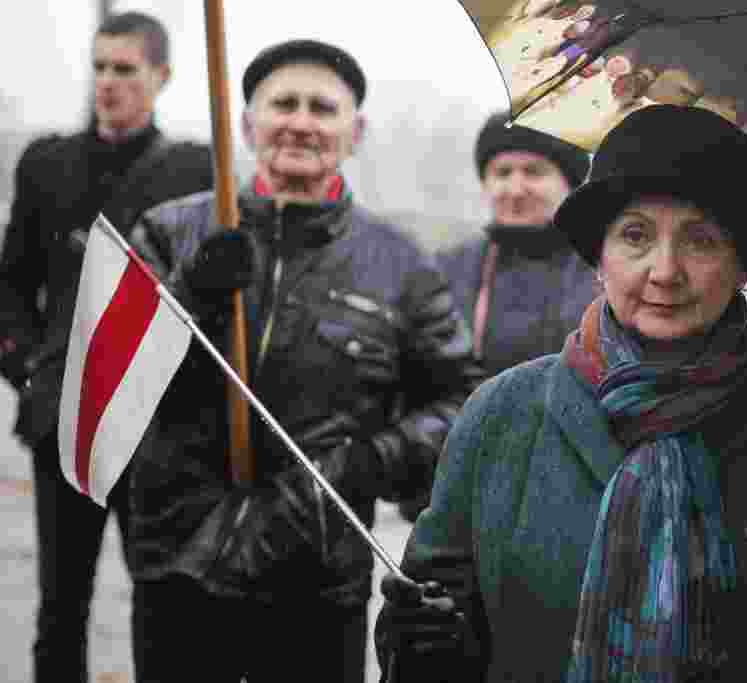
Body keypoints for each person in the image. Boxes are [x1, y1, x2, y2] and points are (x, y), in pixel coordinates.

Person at [374, 105, 747, 682]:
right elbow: (425, 655)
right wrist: (422, 639)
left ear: (741, 267)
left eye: (700, 240)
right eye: (636, 235)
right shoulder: (502, 413)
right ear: (599, 257)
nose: (665, 271)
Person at [122, 39, 483, 682]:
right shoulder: (167, 233)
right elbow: (118, 379)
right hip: (180, 563)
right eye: (283, 103)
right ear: (246, 124)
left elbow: (460, 402)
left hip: (317, 575)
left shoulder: (400, 265)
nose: (301, 122)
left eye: (323, 108)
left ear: (355, 131)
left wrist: (370, 460)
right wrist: (190, 295)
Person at [0, 12, 213, 682]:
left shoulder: (195, 170)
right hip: (63, 420)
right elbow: (11, 286)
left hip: (156, 425)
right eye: (99, 67)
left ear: (161, 76)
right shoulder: (47, 164)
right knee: (60, 608)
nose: (108, 82)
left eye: (125, 69)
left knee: (161, 608)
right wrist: (29, 372)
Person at [397, 112, 592, 523]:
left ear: (570, 183)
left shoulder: (603, 272)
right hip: (464, 494)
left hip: (575, 496)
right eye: (502, 172)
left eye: (534, 172)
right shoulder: (445, 270)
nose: (515, 188)